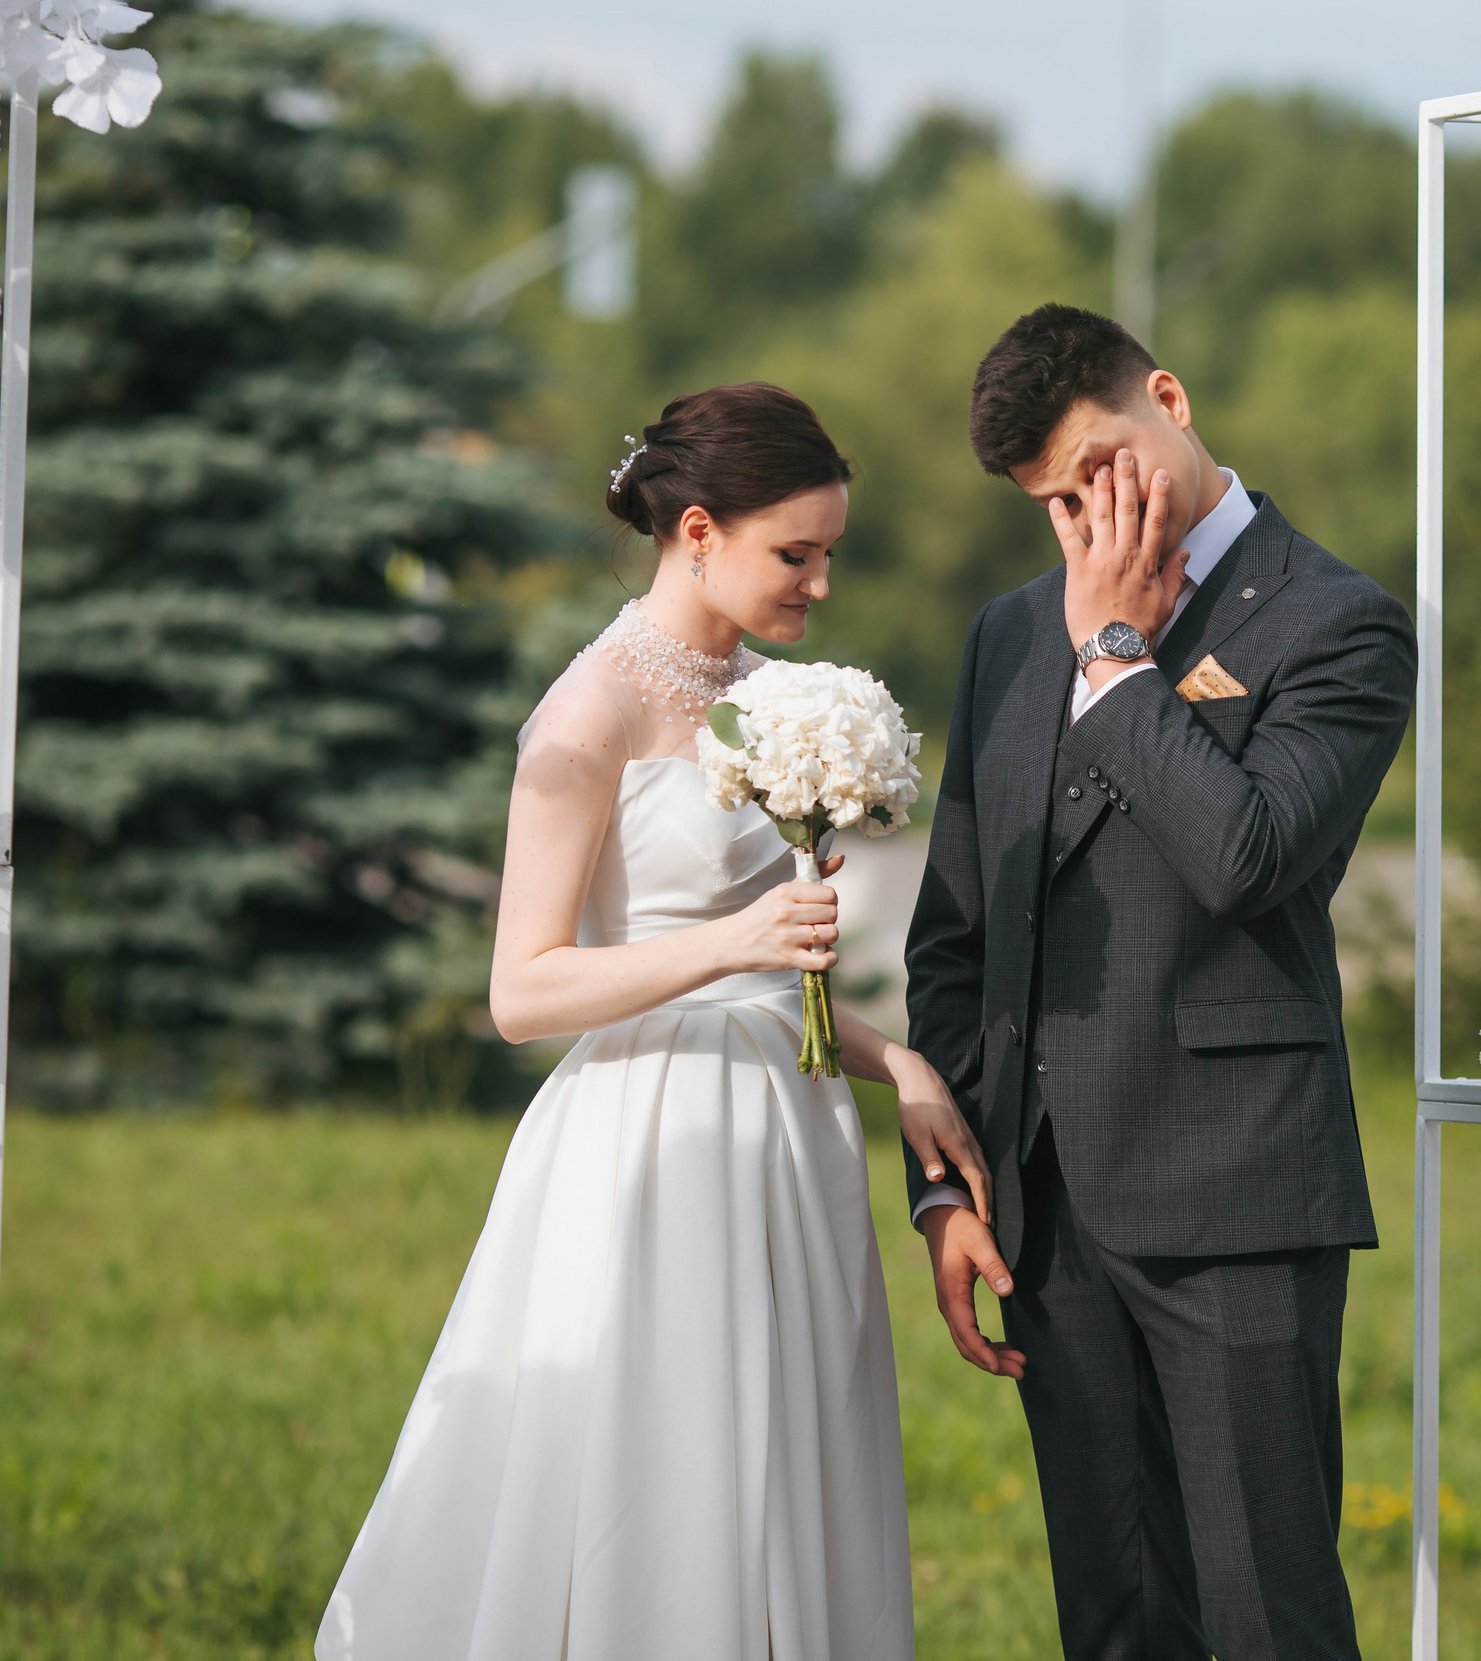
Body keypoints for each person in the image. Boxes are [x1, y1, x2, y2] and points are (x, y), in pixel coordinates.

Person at [318, 382, 985, 1661]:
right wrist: (735, 941)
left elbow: (768, 964)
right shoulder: (586, 716)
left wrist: (888, 1055)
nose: (819, 584)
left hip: (785, 1144)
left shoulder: (771, 698)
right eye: (795, 553)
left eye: (828, 553)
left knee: (784, 1460)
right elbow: (524, 991)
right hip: (649, 1146)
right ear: (694, 531)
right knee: (662, 1461)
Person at [904, 305, 1418, 1661]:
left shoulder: (1341, 623)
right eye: (1055, 499)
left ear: (1170, 402)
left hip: (1235, 1197)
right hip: (1046, 1211)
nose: (1085, 515)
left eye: (1100, 469)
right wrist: (950, 1185)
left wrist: (1119, 655)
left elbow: (1246, 857)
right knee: (1115, 1617)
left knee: (1268, 1613)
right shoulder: (1008, 634)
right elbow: (957, 927)